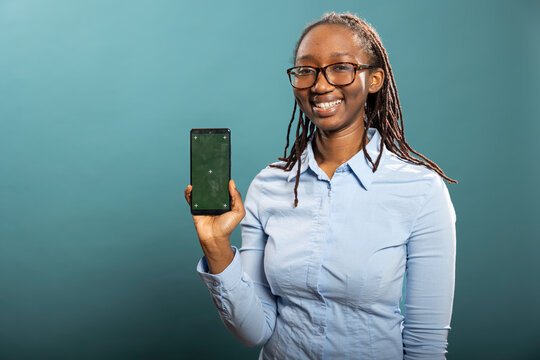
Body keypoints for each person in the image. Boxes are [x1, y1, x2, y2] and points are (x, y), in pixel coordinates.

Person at [184, 12, 456, 360]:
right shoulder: (269, 186)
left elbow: (426, 345)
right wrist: (216, 247)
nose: (320, 84)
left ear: (374, 79)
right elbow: (255, 331)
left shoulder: (421, 191)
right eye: (306, 70)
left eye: (340, 67)